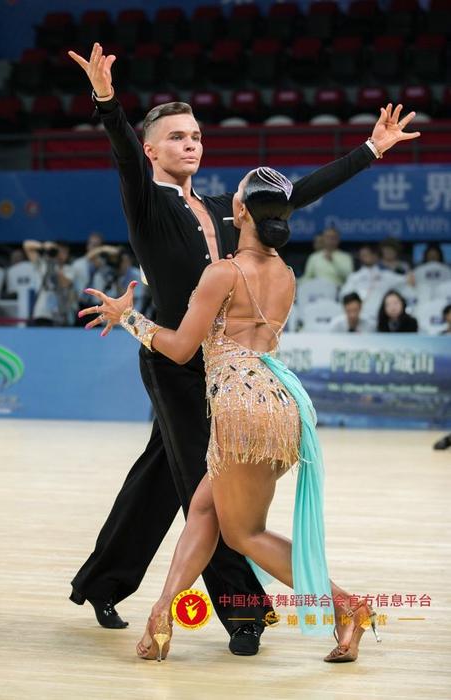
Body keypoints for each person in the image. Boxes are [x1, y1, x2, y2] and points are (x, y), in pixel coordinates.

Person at [67, 41, 420, 654]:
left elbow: (293, 194)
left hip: (224, 373)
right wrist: (106, 101)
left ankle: (105, 582)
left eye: (197, 135)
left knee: (164, 477)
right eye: (177, 137)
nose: (191, 144)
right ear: (152, 150)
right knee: (204, 491)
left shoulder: (220, 210)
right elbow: (123, 151)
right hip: (176, 363)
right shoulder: (147, 203)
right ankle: (245, 614)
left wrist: (369, 151)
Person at [79, 168, 383, 664]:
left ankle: (347, 608)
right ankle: (162, 616)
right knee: (204, 510)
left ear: (240, 212)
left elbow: (180, 349)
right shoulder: (285, 273)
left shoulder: (223, 272)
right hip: (281, 404)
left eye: (235, 197)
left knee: (245, 534)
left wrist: (128, 318)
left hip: (242, 412)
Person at [23, 239, 77, 326]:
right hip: (43, 313)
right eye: (59, 251)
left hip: (61, 314)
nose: (61, 255)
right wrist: (43, 246)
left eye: (64, 252)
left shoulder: (69, 269)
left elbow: (64, 284)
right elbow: (27, 245)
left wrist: (54, 265)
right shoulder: (43, 264)